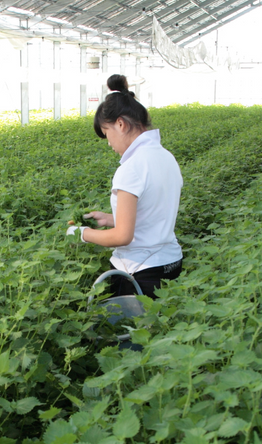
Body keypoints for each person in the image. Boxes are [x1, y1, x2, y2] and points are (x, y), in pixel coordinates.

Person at [67, 74, 183, 299]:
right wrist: (110, 219)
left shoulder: (131, 168)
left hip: (140, 272)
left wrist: (82, 234)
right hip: (170, 264)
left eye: (107, 133)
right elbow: (154, 212)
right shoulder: (166, 157)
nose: (109, 143)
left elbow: (122, 237)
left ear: (120, 124)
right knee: (161, 332)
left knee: (126, 333)